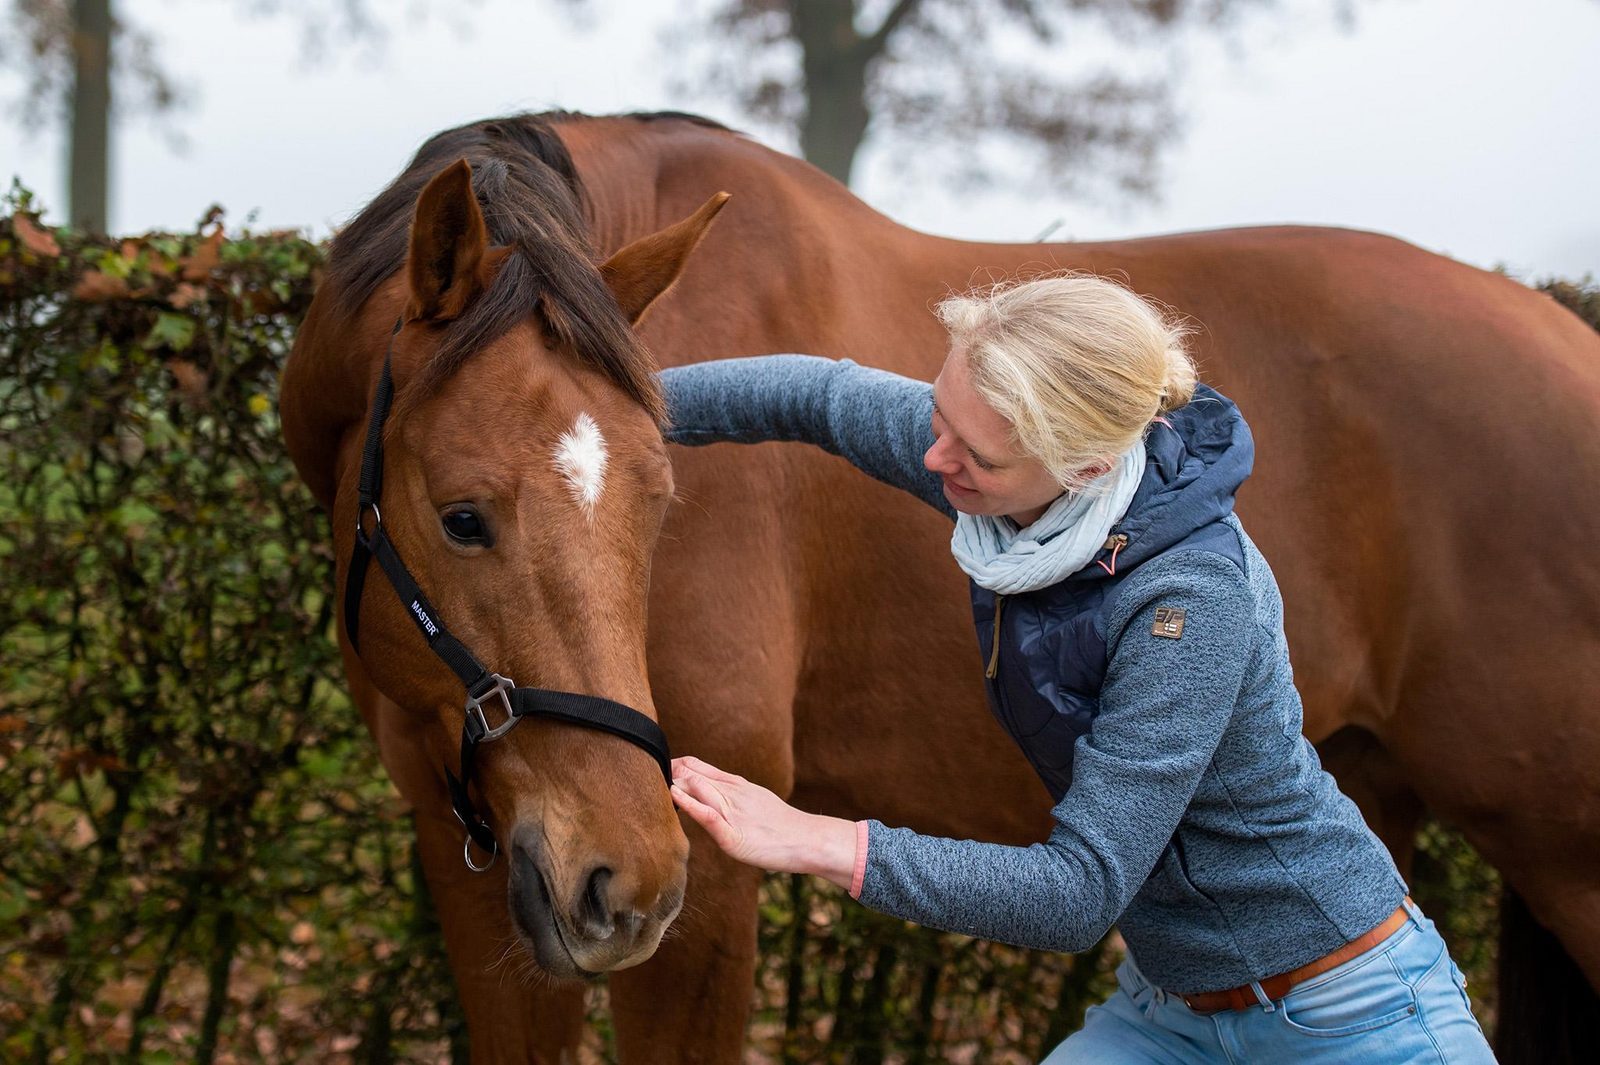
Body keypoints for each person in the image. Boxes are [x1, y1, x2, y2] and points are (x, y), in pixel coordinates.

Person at [658, 274, 1496, 1063]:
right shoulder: (1006, 463)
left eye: (974, 456)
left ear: (1087, 467)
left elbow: (1078, 892)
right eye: (941, 417)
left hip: (1350, 1013)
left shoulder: (1190, 598)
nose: (932, 457)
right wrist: (608, 404)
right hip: (1170, 1010)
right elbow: (822, 399)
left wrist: (815, 839)